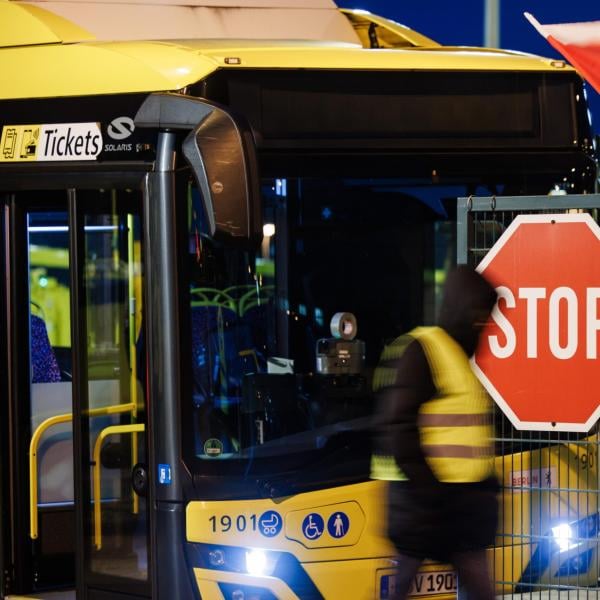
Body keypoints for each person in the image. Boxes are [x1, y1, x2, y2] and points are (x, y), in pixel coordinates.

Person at [372, 266, 499, 600]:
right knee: (402, 586)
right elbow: (398, 425)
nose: (484, 323)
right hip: (423, 505)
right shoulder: (425, 350)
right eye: (479, 314)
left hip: (452, 508)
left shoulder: (457, 358)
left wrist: (487, 485)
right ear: (462, 308)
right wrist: (429, 491)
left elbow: (468, 439)